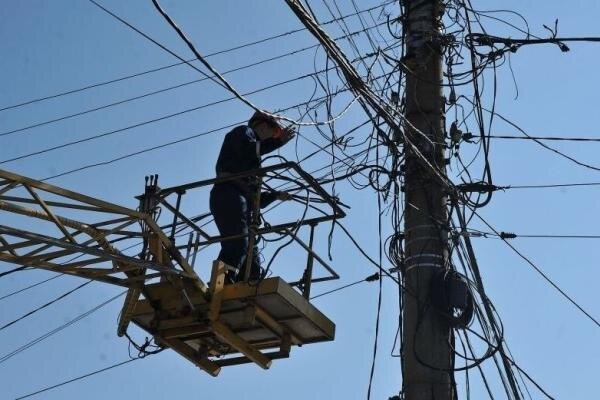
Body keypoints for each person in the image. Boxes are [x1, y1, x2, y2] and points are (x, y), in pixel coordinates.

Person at [210, 111, 295, 282]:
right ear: (262, 126)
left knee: (251, 257)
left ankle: (247, 283)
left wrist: (275, 195)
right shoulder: (243, 132)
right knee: (239, 242)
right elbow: (248, 150)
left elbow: (255, 199)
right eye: (273, 132)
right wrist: (277, 142)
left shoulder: (253, 160)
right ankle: (222, 281)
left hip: (240, 199)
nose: (272, 137)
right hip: (228, 193)